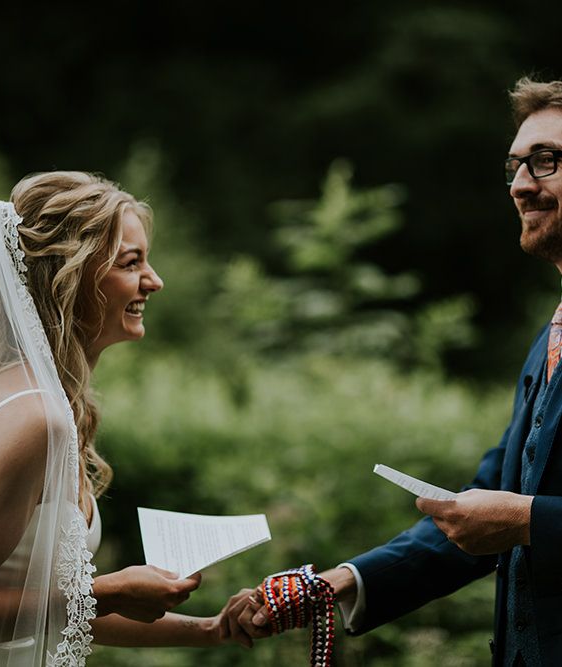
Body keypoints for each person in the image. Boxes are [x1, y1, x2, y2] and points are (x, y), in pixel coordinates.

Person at [221, 77, 562, 667]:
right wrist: (335, 585)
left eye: (546, 161)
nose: (519, 185)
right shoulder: (548, 340)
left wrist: (530, 521)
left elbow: (514, 515)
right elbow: (482, 508)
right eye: (512, 166)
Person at [0, 172, 235, 666]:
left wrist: (213, 629)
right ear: (72, 276)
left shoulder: (41, 400)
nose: (154, 280)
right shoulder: (34, 420)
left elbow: (47, 610)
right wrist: (111, 590)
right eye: (131, 262)